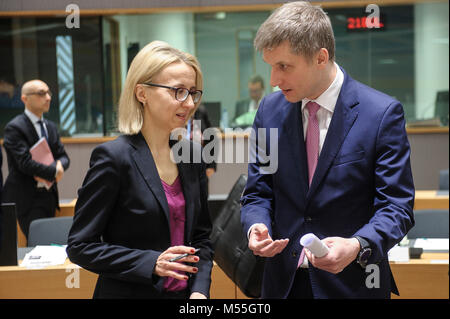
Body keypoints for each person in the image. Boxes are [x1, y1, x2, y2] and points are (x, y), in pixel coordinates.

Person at [241, 1, 415, 299]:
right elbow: (259, 191)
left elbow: (396, 206)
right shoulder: (269, 110)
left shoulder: (381, 113)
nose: (274, 80)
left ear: (320, 57)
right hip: (282, 285)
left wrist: (358, 244)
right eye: (271, 66)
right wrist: (256, 224)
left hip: (353, 284)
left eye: (284, 66)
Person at [66, 41, 214, 299]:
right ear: (141, 93)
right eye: (178, 91)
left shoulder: (191, 155)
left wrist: (200, 291)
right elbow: (80, 246)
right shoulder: (114, 158)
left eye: (193, 92)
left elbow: (201, 238)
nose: (189, 103)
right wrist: (151, 263)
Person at [2, 80, 70, 239]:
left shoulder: (50, 126)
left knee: (49, 246)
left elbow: (63, 156)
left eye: (48, 93)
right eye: (41, 93)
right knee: (35, 247)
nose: (47, 97)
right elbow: (24, 163)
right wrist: (54, 171)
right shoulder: (14, 127)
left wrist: (59, 166)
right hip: (26, 198)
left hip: (48, 196)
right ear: (24, 99)